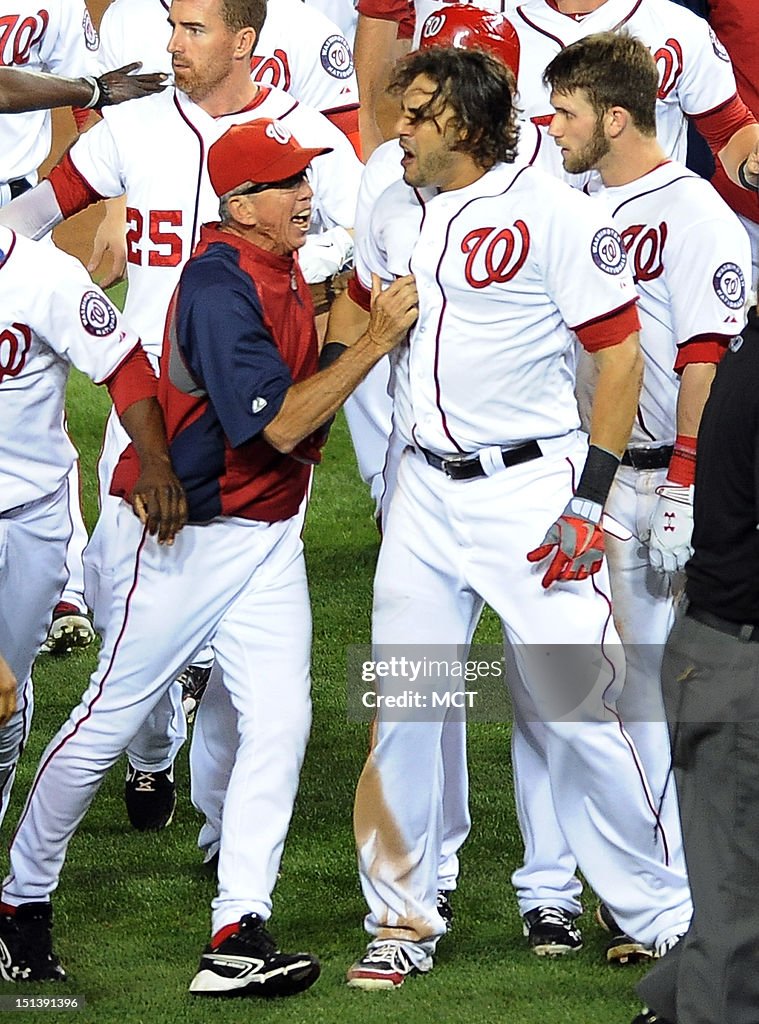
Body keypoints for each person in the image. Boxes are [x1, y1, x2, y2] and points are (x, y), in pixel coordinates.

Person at [0, 116, 417, 997]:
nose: (307, 194)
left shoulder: (276, 261)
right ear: (240, 205)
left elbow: (314, 354)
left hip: (267, 537)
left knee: (281, 720)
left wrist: (351, 308)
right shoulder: (221, 287)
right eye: (286, 183)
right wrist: (374, 340)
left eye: (305, 177)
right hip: (189, 535)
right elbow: (279, 424)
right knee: (109, 721)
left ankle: (238, 927)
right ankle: (20, 902)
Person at [344, 45, 695, 991]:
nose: (398, 129)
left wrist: (590, 498)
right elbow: (356, 320)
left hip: (528, 494)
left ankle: (663, 913)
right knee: (407, 704)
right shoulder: (393, 208)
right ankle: (401, 915)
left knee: (584, 710)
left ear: (462, 121)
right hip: (421, 491)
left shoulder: (553, 212)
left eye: (416, 113)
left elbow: (617, 358)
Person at [0, 0, 363, 833]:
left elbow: (359, 232)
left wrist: (310, 261)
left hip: (250, 402)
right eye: (173, 25)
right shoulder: (134, 129)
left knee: (247, 618)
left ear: (244, 42)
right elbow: (39, 210)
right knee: (120, 598)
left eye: (194, 30)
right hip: (145, 400)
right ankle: (152, 751)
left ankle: (222, 826)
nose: (172, 44)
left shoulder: (299, 139)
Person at [511, 29, 752, 966]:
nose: (551, 126)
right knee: (549, 686)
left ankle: (663, 900)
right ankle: (549, 890)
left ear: (615, 117)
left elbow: (706, 358)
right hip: (579, 475)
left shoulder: (693, 212)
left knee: (644, 697)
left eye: (565, 112)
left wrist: (686, 490)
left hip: (653, 483)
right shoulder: (569, 201)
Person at [0, 218, 186, 833]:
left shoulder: (43, 276)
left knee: (6, 694)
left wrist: (155, 461)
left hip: (31, 520)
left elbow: (124, 362)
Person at [629, 306, 759, 1024]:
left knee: (735, 887)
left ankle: (671, 1005)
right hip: (738, 662)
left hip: (720, 653)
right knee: (743, 916)